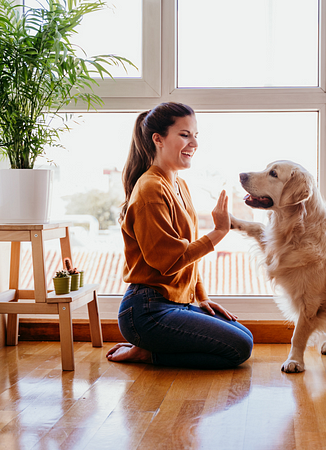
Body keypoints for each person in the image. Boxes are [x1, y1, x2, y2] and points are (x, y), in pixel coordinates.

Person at [106, 102, 253, 369]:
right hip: (146, 310)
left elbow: (187, 256)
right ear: (158, 139)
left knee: (245, 336)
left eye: (196, 135)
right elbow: (169, 260)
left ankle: (150, 348)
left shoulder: (178, 184)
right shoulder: (150, 189)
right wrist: (219, 231)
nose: (194, 143)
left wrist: (201, 296)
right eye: (185, 135)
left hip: (176, 302)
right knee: (239, 348)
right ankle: (147, 353)